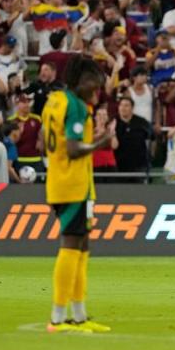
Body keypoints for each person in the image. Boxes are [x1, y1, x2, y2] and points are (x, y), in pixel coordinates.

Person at [41, 56, 116, 333]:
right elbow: (73, 150)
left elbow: (43, 140)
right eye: (93, 81)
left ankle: (79, 316)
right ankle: (58, 319)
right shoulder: (75, 106)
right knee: (71, 246)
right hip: (74, 186)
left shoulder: (55, 101)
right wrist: (100, 142)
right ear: (79, 80)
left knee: (82, 248)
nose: (97, 87)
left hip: (61, 182)